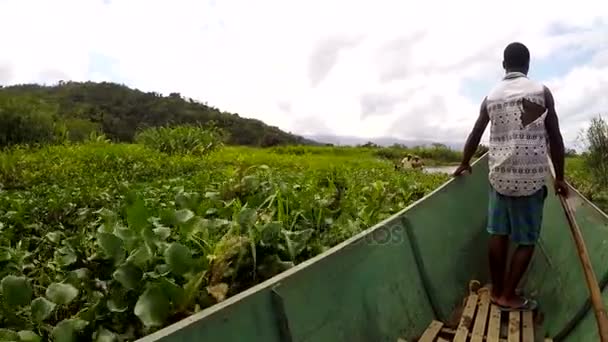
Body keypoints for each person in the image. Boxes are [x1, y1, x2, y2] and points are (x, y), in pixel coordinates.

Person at [452, 42, 569, 311]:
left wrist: (464, 162)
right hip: (531, 179)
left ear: (504, 65)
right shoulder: (542, 92)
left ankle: (497, 291)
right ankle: (507, 295)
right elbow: (556, 137)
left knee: (498, 233)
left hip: (499, 177)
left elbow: (476, 132)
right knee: (526, 240)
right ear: (527, 65)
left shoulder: (491, 96)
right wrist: (559, 178)